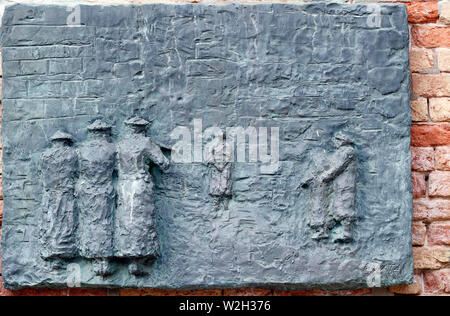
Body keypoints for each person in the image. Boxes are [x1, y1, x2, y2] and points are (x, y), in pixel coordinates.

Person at [114, 117, 170, 276]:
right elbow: (164, 164)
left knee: (126, 220)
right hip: (140, 185)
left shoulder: (120, 144)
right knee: (142, 221)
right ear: (143, 129)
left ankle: (127, 252)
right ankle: (141, 254)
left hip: (124, 185)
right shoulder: (146, 143)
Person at [76, 120, 116, 277]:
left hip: (87, 191)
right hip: (105, 191)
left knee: (90, 223)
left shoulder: (81, 150)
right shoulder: (112, 148)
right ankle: (104, 258)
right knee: (105, 223)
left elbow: (77, 172)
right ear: (105, 133)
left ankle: (93, 256)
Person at [301, 132, 356, 242]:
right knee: (335, 206)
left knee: (344, 206)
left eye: (336, 140)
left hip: (345, 184)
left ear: (341, 141)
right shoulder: (340, 152)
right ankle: (325, 231)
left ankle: (347, 232)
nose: (335, 143)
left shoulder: (348, 151)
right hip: (337, 184)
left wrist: (325, 176)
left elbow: (338, 166)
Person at [39, 131, 78, 265]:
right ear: (66, 142)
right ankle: (62, 250)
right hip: (65, 193)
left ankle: (51, 250)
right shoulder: (72, 154)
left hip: (50, 194)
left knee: (51, 221)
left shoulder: (45, 155)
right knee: (65, 221)